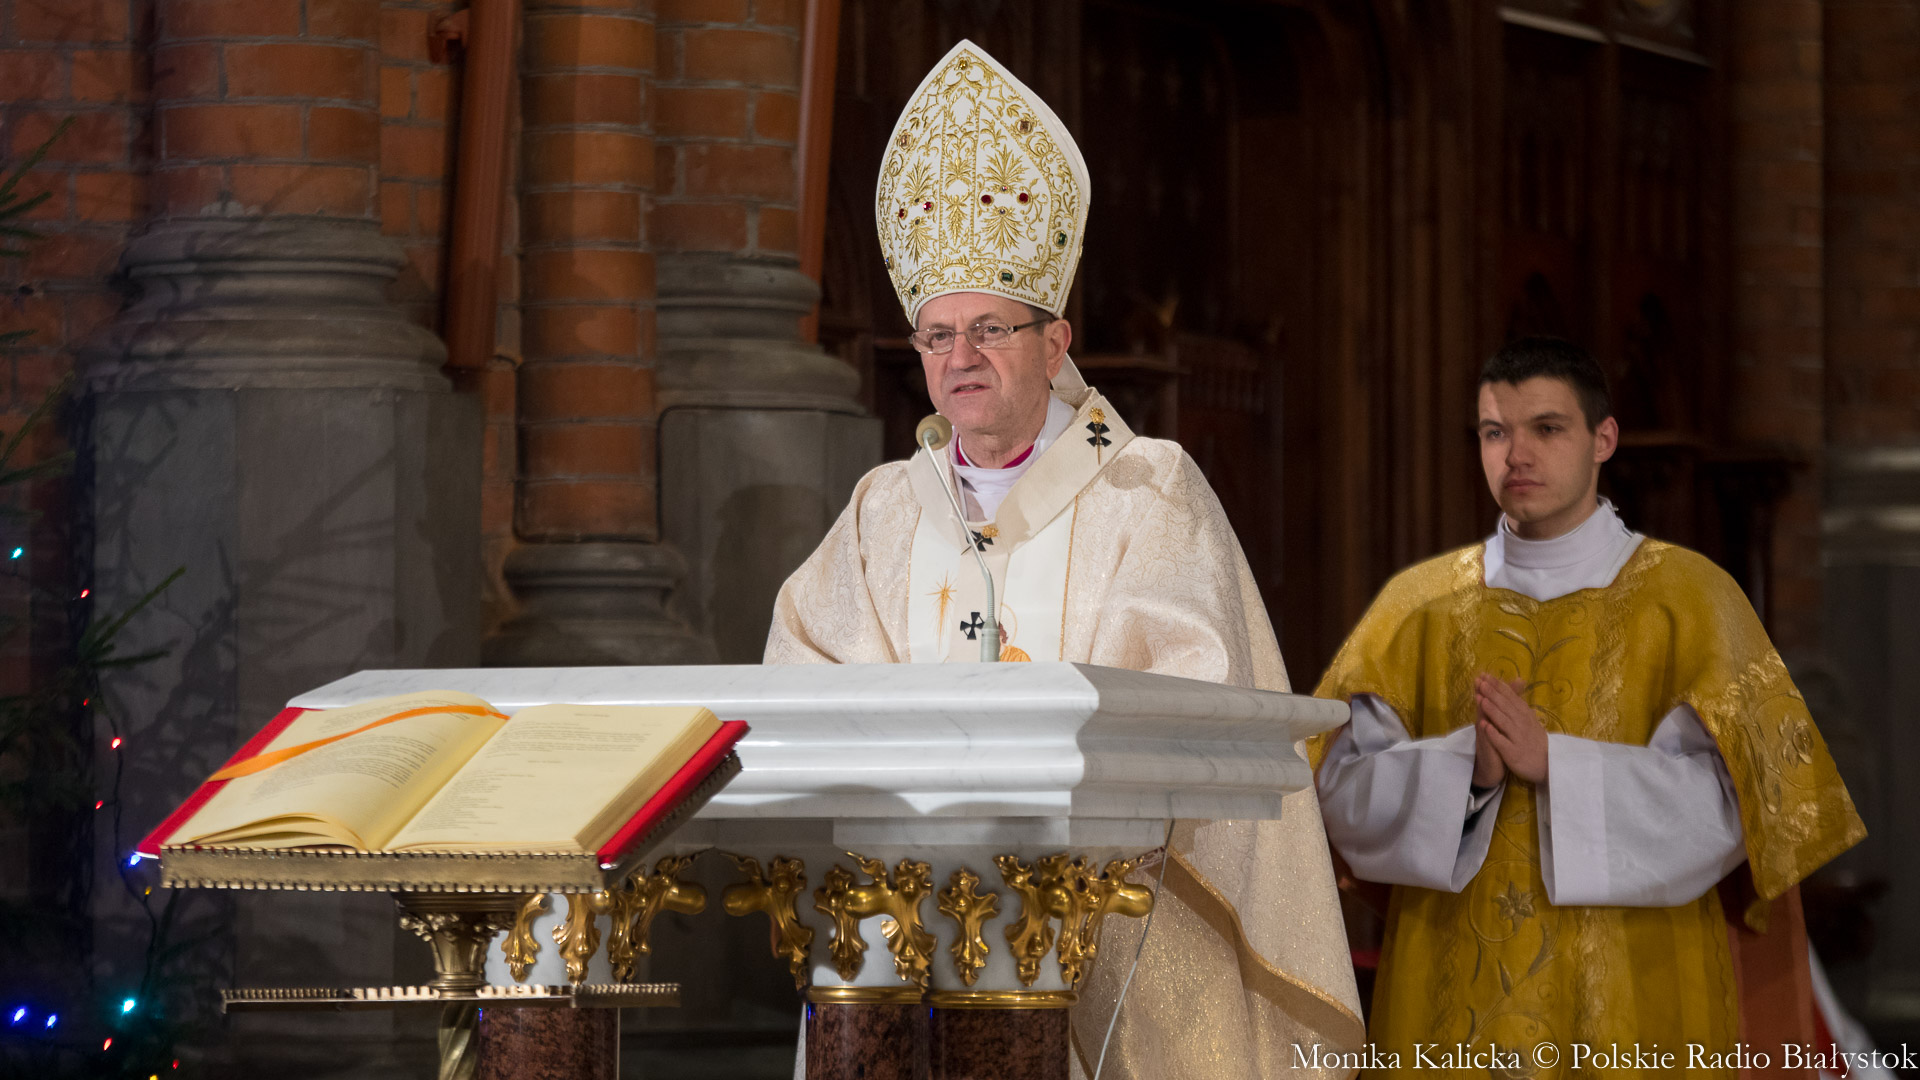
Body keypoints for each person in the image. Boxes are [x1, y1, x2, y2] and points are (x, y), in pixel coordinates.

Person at [767, 38, 1362, 1079]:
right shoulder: (883, 512)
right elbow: (800, 691)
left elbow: (1194, 707)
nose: (959, 358)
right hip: (912, 934)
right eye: (937, 334)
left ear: (1057, 339)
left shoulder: (1148, 491)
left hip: (1112, 937)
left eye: (990, 328)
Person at [1313, 336, 1866, 1075]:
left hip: (1639, 996)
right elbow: (1336, 791)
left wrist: (1558, 766)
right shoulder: (1416, 609)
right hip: (1449, 1001)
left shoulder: (1695, 601)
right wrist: (1461, 776)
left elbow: (1742, 812)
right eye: (1494, 432)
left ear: (1603, 438)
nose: (1516, 455)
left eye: (1547, 428)